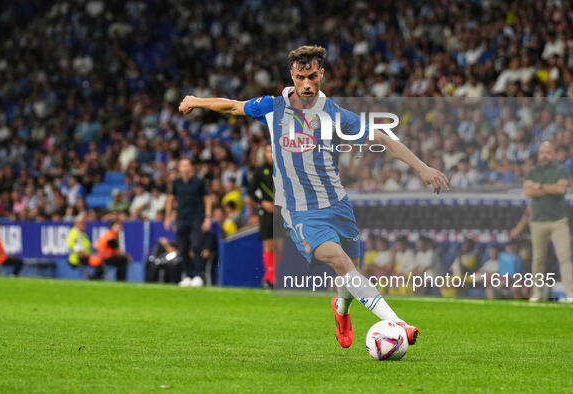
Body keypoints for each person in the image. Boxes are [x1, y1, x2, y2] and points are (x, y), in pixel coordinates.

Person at [178, 45, 449, 348]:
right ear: (291, 76)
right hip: (300, 211)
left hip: (337, 204)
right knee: (341, 262)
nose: (306, 84)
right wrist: (196, 101)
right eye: (300, 77)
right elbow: (232, 107)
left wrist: (422, 168)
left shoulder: (335, 114)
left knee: (350, 273)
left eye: (311, 77)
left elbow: (382, 139)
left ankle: (341, 309)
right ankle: (397, 324)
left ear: (321, 74)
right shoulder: (272, 107)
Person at [524, 141, 573, 302]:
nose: (544, 155)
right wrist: (550, 188)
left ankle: (570, 293)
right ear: (538, 154)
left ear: (554, 154)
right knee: (538, 258)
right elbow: (528, 191)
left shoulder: (561, 170)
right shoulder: (532, 170)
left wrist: (539, 186)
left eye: (548, 152)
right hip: (538, 221)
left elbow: (561, 189)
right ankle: (537, 293)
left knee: (564, 257)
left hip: (558, 220)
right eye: (542, 152)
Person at [164, 158, 213, 287]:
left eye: (187, 165)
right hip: (181, 218)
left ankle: (198, 275)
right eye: (182, 165)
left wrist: (208, 217)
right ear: (179, 168)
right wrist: (168, 216)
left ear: (191, 167)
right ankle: (187, 275)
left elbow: (207, 199)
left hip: (197, 218)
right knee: (182, 248)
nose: (185, 168)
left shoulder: (198, 181)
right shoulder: (176, 182)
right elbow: (170, 199)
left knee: (196, 246)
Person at [248, 144, 284, 288]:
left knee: (280, 245)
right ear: (265, 154)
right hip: (266, 211)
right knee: (269, 243)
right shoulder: (260, 170)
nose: (272, 154)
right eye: (269, 151)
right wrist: (262, 202)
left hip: (281, 211)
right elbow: (251, 191)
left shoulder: (284, 169)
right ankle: (270, 278)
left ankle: (270, 276)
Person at [67, 215, 102, 279]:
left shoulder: (82, 233)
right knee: (98, 261)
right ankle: (93, 278)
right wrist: (91, 256)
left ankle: (94, 277)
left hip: (84, 256)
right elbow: (78, 250)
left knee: (99, 261)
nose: (84, 225)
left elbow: (87, 247)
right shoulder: (75, 234)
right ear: (76, 224)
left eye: (84, 223)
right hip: (77, 258)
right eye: (82, 223)